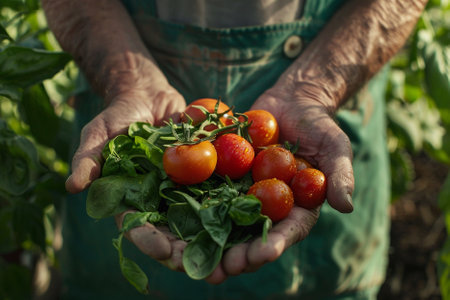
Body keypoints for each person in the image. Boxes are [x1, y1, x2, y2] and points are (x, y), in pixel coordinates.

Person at [41, 0, 427, 299]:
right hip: (119, 64)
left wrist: (316, 89)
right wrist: (126, 79)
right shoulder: (205, 144)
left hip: (333, 82)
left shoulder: (265, 157)